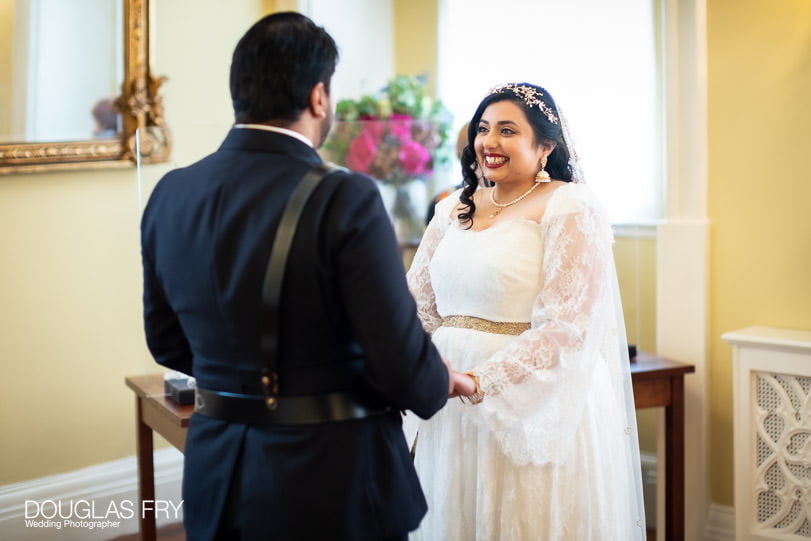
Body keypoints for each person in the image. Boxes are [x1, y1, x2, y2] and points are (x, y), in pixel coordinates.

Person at [141, 12, 469, 541]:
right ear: (319, 97)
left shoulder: (170, 194)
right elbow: (398, 360)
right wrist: (436, 381)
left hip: (216, 473)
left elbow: (166, 341)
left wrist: (241, 375)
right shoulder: (346, 196)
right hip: (328, 479)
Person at [406, 83, 646, 540]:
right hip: (447, 403)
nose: (488, 142)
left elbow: (566, 328)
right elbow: (416, 307)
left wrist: (479, 381)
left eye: (507, 130)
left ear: (545, 146)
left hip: (534, 402)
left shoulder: (571, 206)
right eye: (483, 129)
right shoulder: (449, 210)